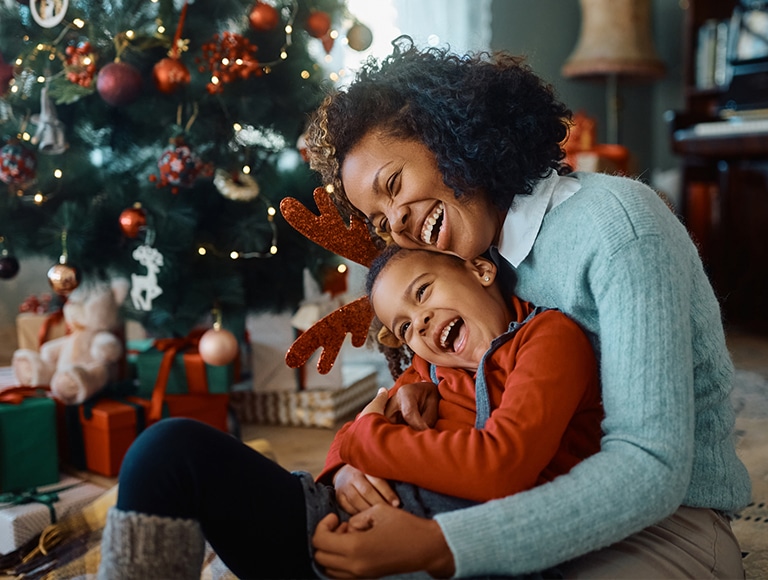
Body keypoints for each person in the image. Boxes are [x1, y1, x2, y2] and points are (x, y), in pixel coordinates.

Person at [305, 36, 751, 579]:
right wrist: (348, 467)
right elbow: (404, 396)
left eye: (393, 185)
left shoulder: (618, 228)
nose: (395, 224)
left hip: (665, 525)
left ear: (446, 134)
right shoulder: (471, 256)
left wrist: (445, 545)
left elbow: (651, 468)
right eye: (380, 221)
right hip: (519, 500)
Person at [97, 242, 602, 580]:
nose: (420, 326)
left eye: (423, 292)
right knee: (168, 449)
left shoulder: (547, 338)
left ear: (481, 268)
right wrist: (342, 465)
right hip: (331, 525)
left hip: (441, 552)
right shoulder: (429, 364)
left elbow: (502, 466)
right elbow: (357, 431)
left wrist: (366, 438)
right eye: (404, 329)